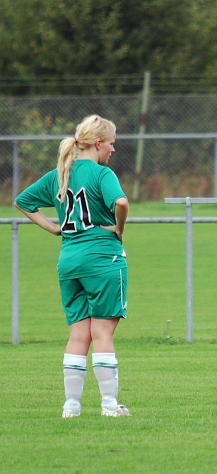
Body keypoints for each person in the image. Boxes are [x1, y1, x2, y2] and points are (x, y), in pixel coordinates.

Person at [14, 115, 131, 418]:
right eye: (112, 143)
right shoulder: (102, 174)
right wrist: (119, 229)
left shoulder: (60, 173)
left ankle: (71, 407)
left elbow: (23, 201)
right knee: (102, 333)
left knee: (78, 335)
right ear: (98, 143)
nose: (113, 149)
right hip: (102, 258)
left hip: (69, 261)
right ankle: (109, 405)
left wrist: (55, 228)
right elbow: (121, 203)